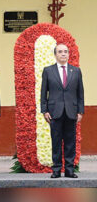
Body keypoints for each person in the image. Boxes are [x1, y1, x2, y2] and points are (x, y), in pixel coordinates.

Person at [41, 43, 84, 179]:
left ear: (68, 54)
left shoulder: (76, 71)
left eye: (65, 51)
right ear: (55, 54)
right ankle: (57, 169)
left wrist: (80, 111)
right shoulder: (48, 70)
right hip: (54, 111)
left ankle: (70, 169)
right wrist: (44, 110)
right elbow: (43, 93)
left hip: (71, 111)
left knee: (71, 142)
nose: (63, 54)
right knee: (56, 141)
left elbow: (80, 93)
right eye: (60, 52)